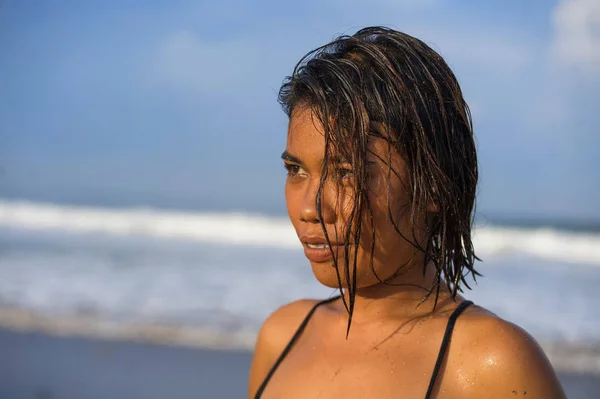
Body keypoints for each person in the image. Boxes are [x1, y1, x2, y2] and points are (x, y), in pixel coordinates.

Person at [248, 26, 566, 399]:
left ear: (432, 183)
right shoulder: (282, 335)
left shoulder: (491, 366)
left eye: (347, 173)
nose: (309, 209)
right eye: (296, 170)